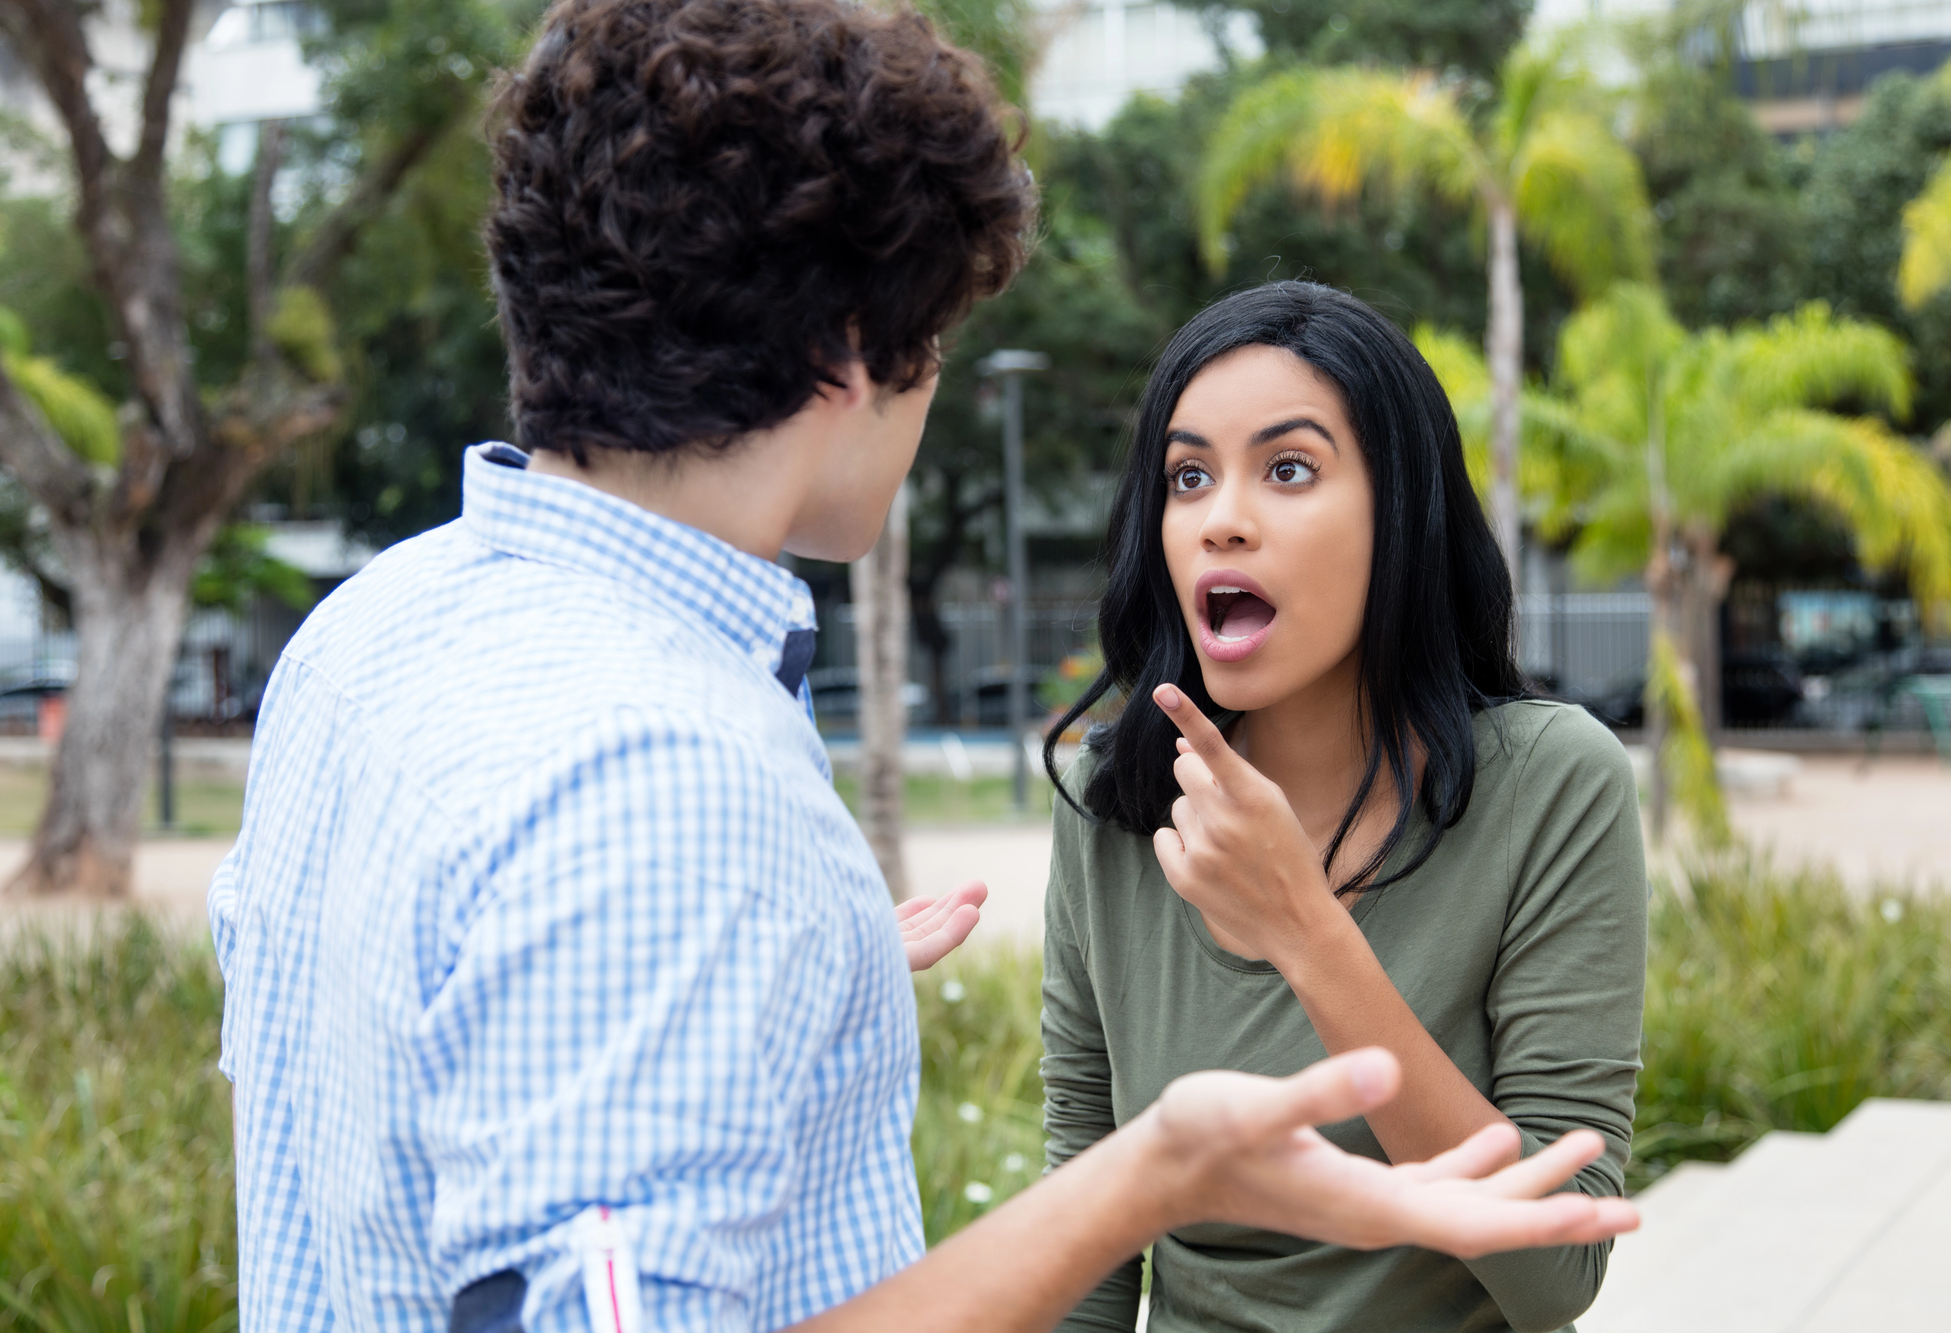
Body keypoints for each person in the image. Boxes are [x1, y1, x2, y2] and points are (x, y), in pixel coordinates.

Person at [208, 5, 1640, 1331]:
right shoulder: (671, 779)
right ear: (849, 352)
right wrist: (1153, 1174)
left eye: (1287, 468)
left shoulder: (367, 628)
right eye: (939, 335)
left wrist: (778, 976)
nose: (1222, 510)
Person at [1039, 281, 1652, 1333]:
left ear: (1399, 515)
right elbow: (1089, 1240)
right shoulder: (1111, 798)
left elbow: (1557, 1269)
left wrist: (1305, 932)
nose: (1220, 519)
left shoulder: (1552, 784)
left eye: (1287, 469)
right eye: (1187, 476)